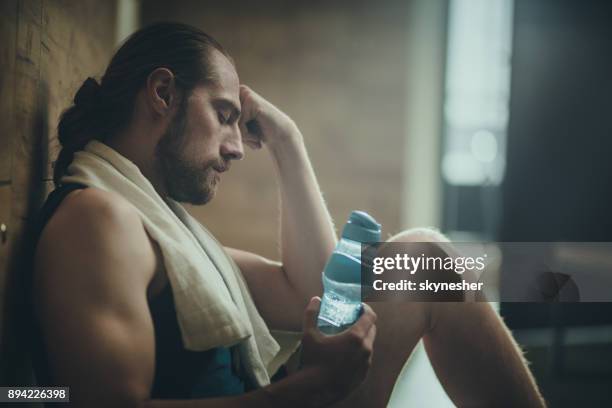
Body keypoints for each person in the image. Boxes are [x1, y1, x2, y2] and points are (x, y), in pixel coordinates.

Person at [31, 22, 546, 407]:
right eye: (224, 115)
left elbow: (314, 296)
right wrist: (311, 389)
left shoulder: (157, 225)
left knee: (423, 259)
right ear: (163, 93)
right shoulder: (99, 220)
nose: (236, 146)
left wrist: (287, 141)